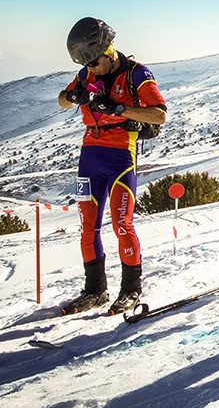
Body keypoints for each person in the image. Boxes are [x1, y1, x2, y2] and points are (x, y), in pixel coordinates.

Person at [58, 17, 167, 315]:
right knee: (87, 227)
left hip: (120, 155)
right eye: (86, 64)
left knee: (122, 224)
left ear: (109, 50)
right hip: (89, 155)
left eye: (94, 62)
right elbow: (61, 101)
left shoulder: (136, 74)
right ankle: (95, 290)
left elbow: (159, 115)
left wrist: (119, 109)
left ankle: (131, 289)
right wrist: (72, 96)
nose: (91, 69)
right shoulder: (85, 74)